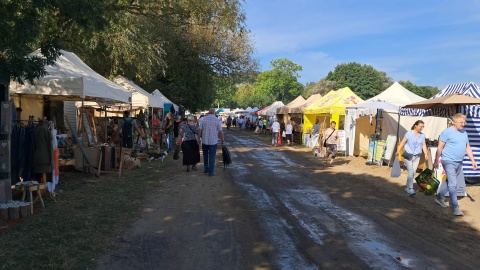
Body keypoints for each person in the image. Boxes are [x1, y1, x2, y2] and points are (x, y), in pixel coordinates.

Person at [434, 113, 477, 216]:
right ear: (454, 122)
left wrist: (473, 160)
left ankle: (439, 197)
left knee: (450, 181)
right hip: (448, 160)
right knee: (453, 184)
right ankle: (455, 207)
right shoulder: (446, 132)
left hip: (459, 161)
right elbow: (440, 147)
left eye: (464, 122)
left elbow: (467, 147)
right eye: (461, 122)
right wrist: (436, 160)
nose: (463, 124)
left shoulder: (464, 132)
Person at [396, 120, 429, 196]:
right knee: (410, 172)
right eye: (420, 126)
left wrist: (426, 154)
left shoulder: (422, 135)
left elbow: (423, 145)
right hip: (408, 155)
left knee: (413, 172)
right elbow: (403, 142)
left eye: (423, 126)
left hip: (417, 156)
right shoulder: (409, 133)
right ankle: (411, 189)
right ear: (416, 126)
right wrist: (398, 150)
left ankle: (407, 187)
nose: (421, 128)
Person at [198, 108, 224, 177]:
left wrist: (198, 138)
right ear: (214, 113)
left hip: (205, 141)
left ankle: (206, 169)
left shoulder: (203, 119)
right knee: (212, 157)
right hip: (213, 141)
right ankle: (211, 172)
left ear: (209, 112)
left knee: (205, 155)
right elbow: (221, 131)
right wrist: (222, 140)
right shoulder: (217, 120)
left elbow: (199, 130)